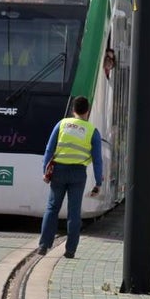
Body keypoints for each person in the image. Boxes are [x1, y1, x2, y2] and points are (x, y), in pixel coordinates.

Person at [37, 95, 104, 259]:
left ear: (73, 110)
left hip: (58, 171)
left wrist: (45, 171)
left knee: (52, 208)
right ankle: (70, 250)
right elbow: (97, 160)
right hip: (78, 174)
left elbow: (49, 149)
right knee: (74, 213)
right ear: (87, 112)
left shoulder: (62, 124)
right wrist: (98, 182)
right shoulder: (92, 131)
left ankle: (44, 246)